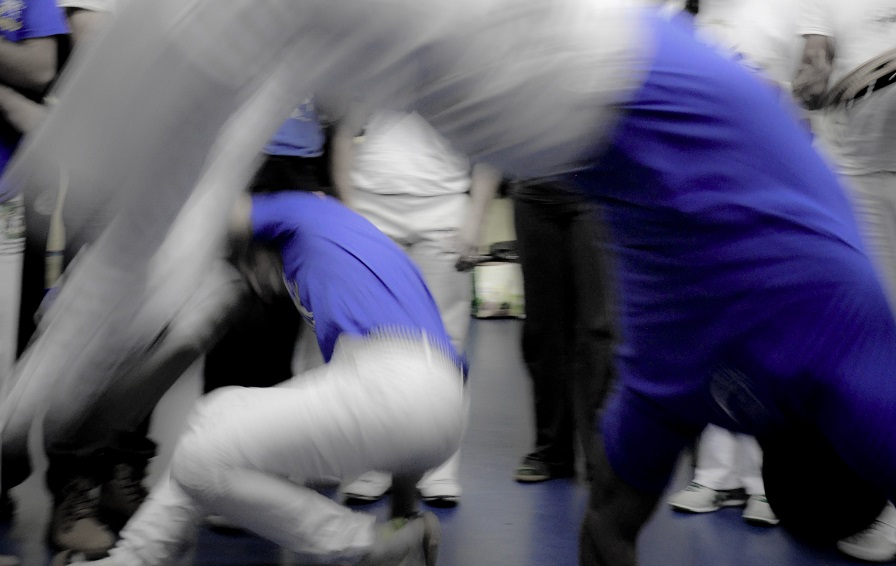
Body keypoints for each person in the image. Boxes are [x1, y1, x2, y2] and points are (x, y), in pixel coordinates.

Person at [3, 2, 896, 566]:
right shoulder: (751, 367)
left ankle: (27, 411)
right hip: (541, 97)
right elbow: (609, 530)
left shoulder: (825, 340)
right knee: (242, 54)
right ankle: (29, 408)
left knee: (227, 56)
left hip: (563, 74)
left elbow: (608, 529)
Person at [54, 190, 465, 566]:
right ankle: (132, 559)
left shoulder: (304, 209)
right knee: (217, 413)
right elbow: (418, 422)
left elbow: (223, 212)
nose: (261, 284)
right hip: (441, 406)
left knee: (201, 457)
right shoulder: (371, 251)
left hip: (390, 385)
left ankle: (361, 542)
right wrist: (404, 518)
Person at [332, 108, 499, 505]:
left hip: (445, 209)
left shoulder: (463, 75)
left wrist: (476, 220)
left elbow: (492, 141)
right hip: (373, 207)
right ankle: (371, 465)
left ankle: (439, 469)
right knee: (367, 342)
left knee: (445, 344)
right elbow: (343, 132)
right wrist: (349, 207)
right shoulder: (372, 70)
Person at [792, 0, 896, 560]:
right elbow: (813, 72)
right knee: (866, 347)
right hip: (851, 180)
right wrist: (811, 84)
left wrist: (881, 69)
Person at [510, 177, 615, 485]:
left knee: (598, 330)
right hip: (533, 193)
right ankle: (551, 452)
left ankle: (602, 455)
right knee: (543, 330)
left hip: (596, 192)